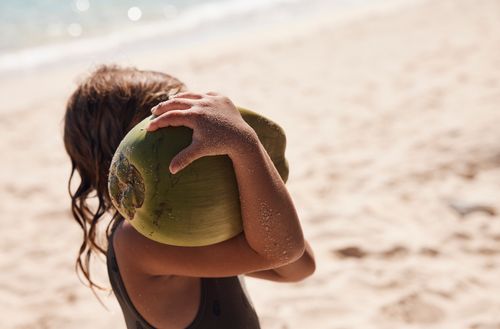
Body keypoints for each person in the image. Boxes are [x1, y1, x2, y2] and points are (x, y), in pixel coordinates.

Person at [63, 65, 316, 329]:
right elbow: (283, 251)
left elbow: (299, 266)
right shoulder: (135, 242)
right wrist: (244, 146)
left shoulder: (192, 224)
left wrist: (245, 170)